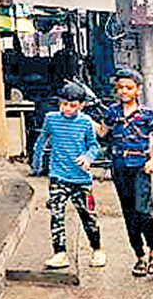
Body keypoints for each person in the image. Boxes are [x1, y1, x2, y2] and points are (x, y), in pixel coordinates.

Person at [32, 82, 106, 270]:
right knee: (56, 215)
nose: (67, 109)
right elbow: (42, 140)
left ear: (82, 105)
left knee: (87, 216)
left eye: (73, 105)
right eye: (64, 104)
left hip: (81, 179)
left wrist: (88, 157)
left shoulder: (86, 123)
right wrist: (37, 163)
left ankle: (97, 250)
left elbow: (94, 146)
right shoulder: (51, 119)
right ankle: (60, 253)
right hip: (57, 176)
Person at [96, 67, 153, 277]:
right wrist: (79, 118)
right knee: (129, 213)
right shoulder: (112, 112)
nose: (124, 91)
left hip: (141, 167)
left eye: (129, 87)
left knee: (143, 211)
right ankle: (140, 256)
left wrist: (152, 161)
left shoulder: (147, 115)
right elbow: (101, 132)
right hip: (119, 167)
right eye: (121, 87)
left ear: (138, 90)